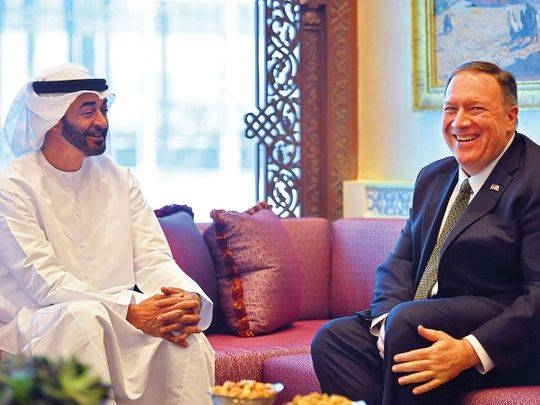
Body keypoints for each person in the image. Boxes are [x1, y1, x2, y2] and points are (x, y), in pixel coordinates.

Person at [311, 61, 540, 404]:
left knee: (410, 322)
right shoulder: (433, 177)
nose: (460, 121)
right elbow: (401, 260)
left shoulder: (533, 179)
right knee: (333, 340)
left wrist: (469, 351)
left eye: (475, 108)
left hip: (506, 335)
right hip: (422, 323)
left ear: (511, 117)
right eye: (451, 109)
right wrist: (386, 320)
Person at [0, 63, 215, 404]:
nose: (102, 122)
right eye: (88, 112)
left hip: (114, 317)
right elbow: (46, 283)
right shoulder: (11, 186)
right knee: (82, 319)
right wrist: (129, 310)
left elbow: (152, 257)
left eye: (103, 109)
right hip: (38, 326)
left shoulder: (119, 178)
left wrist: (186, 299)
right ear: (54, 119)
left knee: (184, 340)